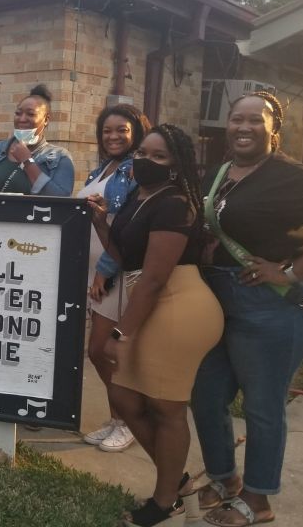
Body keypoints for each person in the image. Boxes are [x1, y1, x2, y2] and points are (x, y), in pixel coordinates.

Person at [191, 91, 303, 527]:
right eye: (237, 119)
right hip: (220, 300)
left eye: (256, 120)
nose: (244, 127)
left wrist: (290, 271)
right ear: (227, 124)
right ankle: (224, 479)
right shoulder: (220, 172)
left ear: (275, 130)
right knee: (207, 394)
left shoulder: (293, 177)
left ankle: (258, 499)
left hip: (272, 307)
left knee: (262, 406)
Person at [87, 124, 224, 527]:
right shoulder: (137, 197)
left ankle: (165, 502)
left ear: (177, 165)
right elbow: (125, 255)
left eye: (159, 156)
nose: (146, 160)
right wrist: (100, 223)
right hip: (148, 302)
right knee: (127, 400)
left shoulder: (175, 204)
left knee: (166, 408)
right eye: (143, 153)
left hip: (178, 306)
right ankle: (177, 480)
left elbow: (153, 277)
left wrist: (120, 333)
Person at [77, 104, 150, 453]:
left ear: (136, 131)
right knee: (101, 353)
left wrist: (104, 272)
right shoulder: (103, 168)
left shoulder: (135, 170)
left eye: (121, 129)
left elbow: (125, 229)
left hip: (115, 272)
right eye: (107, 130)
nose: (113, 136)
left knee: (104, 352)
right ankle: (116, 417)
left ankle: (130, 422)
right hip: (95, 272)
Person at [0, 83, 74, 196]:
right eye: (18, 113)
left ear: (46, 119)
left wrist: (27, 161)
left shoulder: (60, 156)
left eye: (30, 114)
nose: (22, 119)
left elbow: (61, 200)